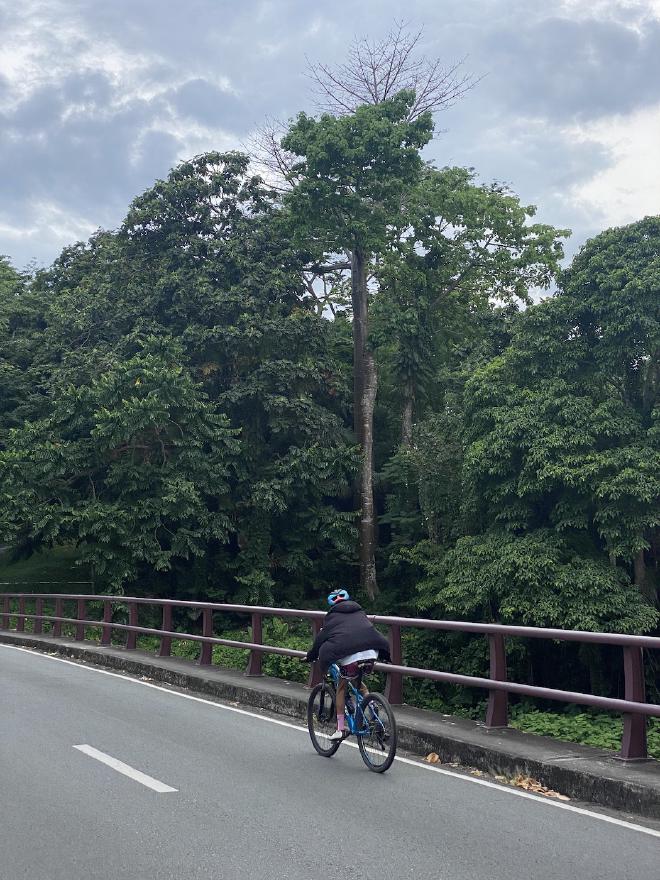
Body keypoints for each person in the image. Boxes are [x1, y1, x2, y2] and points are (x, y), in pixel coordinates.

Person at [304, 589, 391, 740]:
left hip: (351, 656)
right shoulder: (359, 612)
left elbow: (320, 640)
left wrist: (311, 656)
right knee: (357, 682)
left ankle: (340, 729)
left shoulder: (331, 617)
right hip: (371, 653)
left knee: (341, 687)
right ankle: (372, 706)